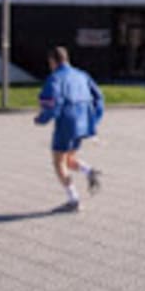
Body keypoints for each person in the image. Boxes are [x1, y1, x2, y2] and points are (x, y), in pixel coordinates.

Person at [35, 46, 104, 211]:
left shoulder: (55, 78)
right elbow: (99, 97)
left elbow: (52, 103)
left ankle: (73, 200)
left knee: (58, 163)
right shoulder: (82, 75)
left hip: (67, 123)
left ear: (53, 61)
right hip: (83, 123)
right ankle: (89, 171)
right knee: (68, 159)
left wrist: (42, 119)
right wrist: (94, 119)